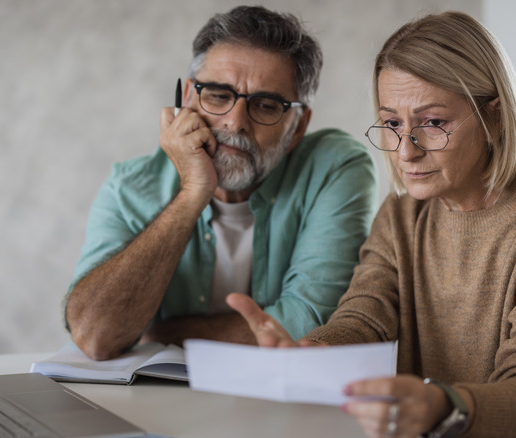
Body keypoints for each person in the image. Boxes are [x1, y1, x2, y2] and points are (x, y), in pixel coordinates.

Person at [228, 10, 516, 438]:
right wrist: (311, 355)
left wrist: (446, 405)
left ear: (495, 118)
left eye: (432, 123)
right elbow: (364, 319)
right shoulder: (399, 216)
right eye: (392, 123)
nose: (406, 151)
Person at [64, 6, 378, 361]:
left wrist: (161, 333)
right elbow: (95, 337)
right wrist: (191, 195)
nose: (234, 122)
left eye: (265, 105)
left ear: (298, 127)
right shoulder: (129, 189)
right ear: (187, 100)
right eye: (217, 95)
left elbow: (309, 325)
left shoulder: (334, 167)